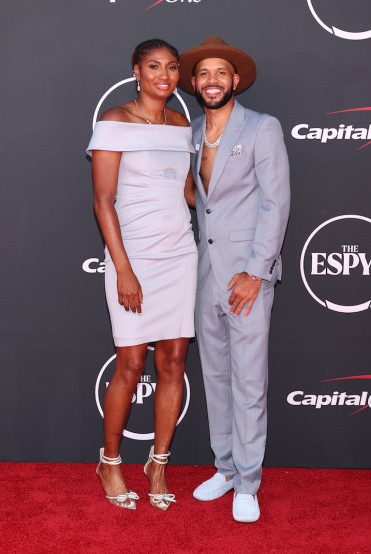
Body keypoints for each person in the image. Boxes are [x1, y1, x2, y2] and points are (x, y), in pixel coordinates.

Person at [179, 37, 290, 522]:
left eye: (220, 73)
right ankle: (224, 468)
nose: (212, 81)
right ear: (194, 84)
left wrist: (256, 272)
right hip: (205, 277)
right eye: (204, 74)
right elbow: (196, 201)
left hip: (247, 277)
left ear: (235, 80)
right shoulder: (191, 132)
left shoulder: (263, 128)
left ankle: (249, 480)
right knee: (216, 379)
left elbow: (275, 203)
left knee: (248, 382)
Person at [86, 38, 198, 511]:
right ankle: (110, 461)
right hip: (132, 258)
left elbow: (190, 193)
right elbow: (103, 201)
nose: (164, 76)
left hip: (180, 254)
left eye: (172, 68)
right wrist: (125, 270)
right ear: (136, 70)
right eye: (154, 66)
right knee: (130, 365)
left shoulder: (181, 124)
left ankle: (159, 462)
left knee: (173, 362)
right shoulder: (113, 122)